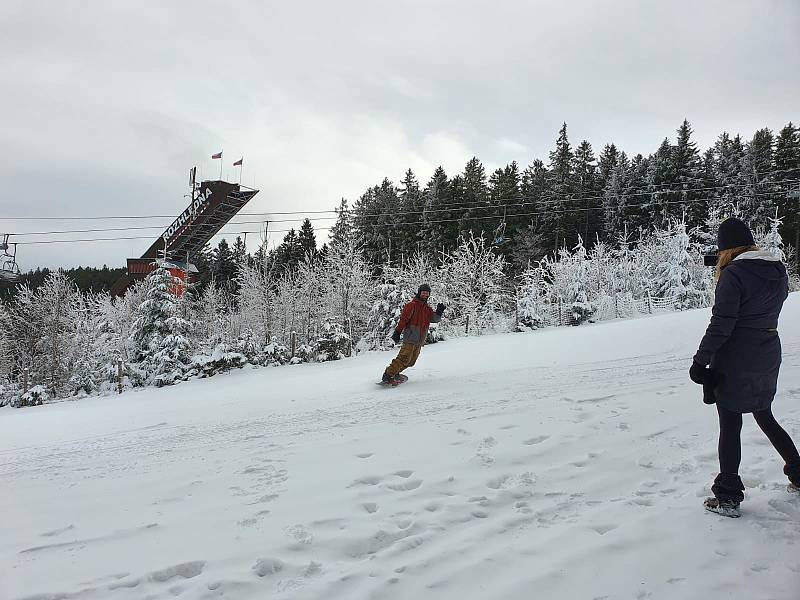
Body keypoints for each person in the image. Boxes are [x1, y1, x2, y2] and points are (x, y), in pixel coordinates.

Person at [690, 217, 800, 517]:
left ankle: (727, 496)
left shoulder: (733, 274)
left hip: (736, 358)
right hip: (767, 352)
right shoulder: (777, 270)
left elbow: (722, 324)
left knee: (730, 423)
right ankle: (799, 473)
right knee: (765, 414)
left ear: (724, 248)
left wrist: (700, 360)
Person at [382, 283, 445, 385]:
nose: (425, 295)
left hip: (419, 340)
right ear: (419, 293)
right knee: (403, 358)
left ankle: (396, 372)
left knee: (411, 361)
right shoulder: (411, 305)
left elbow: (435, 319)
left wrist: (439, 312)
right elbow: (403, 320)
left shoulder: (427, 309)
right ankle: (388, 375)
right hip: (410, 337)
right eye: (423, 292)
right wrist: (397, 332)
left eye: (427, 293)